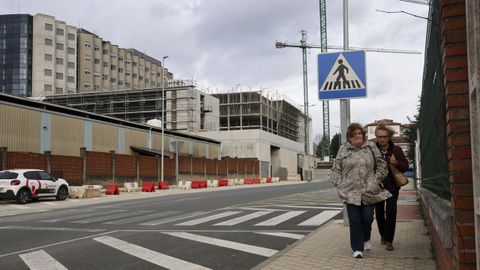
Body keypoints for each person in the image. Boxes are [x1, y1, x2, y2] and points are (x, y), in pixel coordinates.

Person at [330, 123, 390, 259]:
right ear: (349, 137)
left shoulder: (371, 146)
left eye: (360, 134)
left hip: (368, 190)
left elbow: (381, 165)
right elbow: (336, 168)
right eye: (354, 134)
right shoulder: (343, 149)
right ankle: (357, 249)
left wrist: (375, 180)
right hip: (350, 191)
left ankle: (366, 239)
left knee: (367, 218)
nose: (358, 136)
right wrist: (339, 183)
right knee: (355, 220)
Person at [373, 122, 409, 251]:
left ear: (389, 137)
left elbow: (406, 167)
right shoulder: (372, 150)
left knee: (391, 212)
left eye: (384, 136)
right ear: (376, 137)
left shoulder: (396, 150)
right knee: (379, 214)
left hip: (392, 187)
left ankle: (389, 240)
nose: (381, 139)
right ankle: (383, 234)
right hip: (376, 188)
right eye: (379, 136)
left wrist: (396, 162)